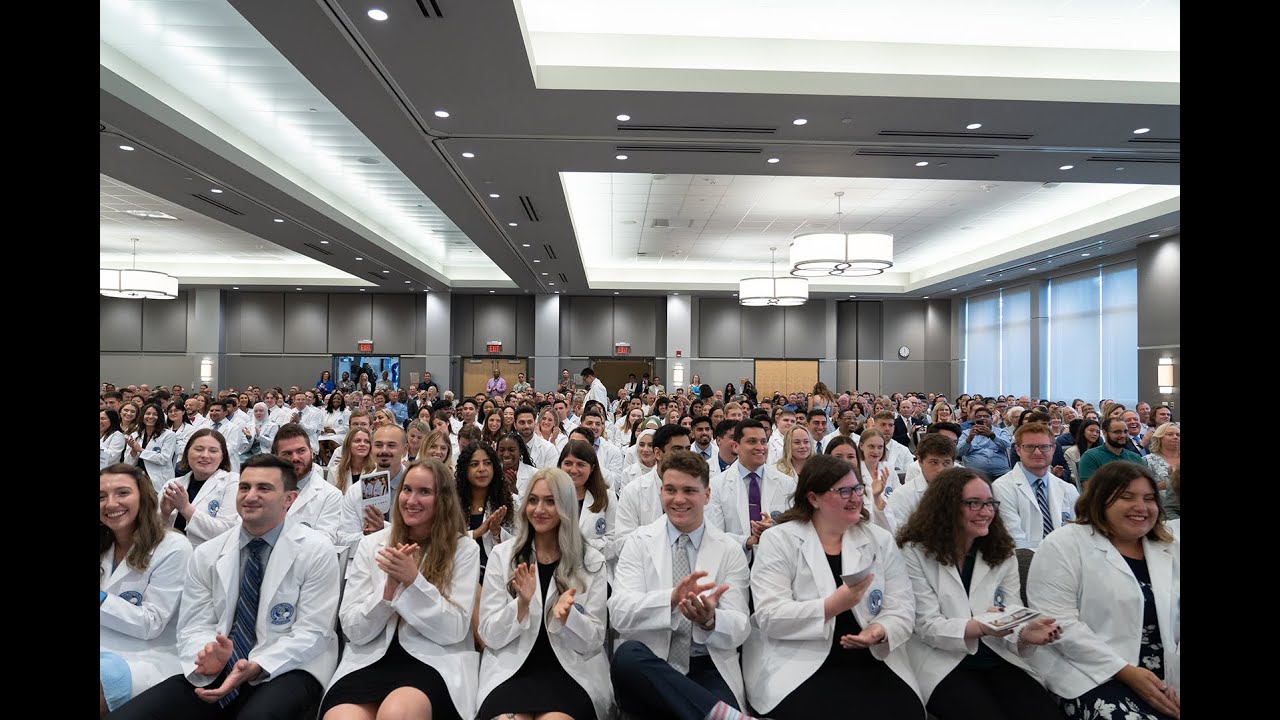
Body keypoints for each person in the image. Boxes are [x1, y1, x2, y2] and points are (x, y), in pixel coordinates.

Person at [111, 455, 341, 720]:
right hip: (219, 666)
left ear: (289, 499)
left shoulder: (316, 550)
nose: (250, 496)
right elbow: (194, 624)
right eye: (244, 487)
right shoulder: (208, 552)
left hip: (290, 665)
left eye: (264, 488)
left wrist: (257, 666)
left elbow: (313, 631)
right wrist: (207, 652)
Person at [744, 454, 924, 719]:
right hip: (800, 659)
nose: (855, 497)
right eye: (843, 491)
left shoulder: (879, 538)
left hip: (872, 657)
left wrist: (879, 629)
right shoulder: (779, 540)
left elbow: (903, 605)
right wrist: (832, 606)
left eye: (857, 489)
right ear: (813, 498)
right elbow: (770, 616)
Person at [896, 467, 1064, 720]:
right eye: (974, 503)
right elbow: (927, 626)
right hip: (941, 660)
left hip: (995, 654)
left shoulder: (1001, 551)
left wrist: (1025, 633)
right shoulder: (914, 552)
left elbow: (1011, 610)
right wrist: (983, 627)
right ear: (946, 507)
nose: (986, 512)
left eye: (989, 503)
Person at [319, 458, 480, 720]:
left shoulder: (464, 549)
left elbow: (455, 629)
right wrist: (387, 593)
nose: (411, 500)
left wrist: (414, 581)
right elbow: (352, 628)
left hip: (431, 660)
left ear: (444, 499)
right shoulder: (373, 545)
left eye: (424, 492)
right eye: (407, 489)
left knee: (397, 713)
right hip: (370, 658)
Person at [1027, 462, 1180, 720]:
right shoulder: (1063, 544)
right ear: (1100, 500)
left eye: (1149, 498)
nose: (1141, 507)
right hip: (1090, 672)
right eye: (1126, 497)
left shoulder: (1168, 545)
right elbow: (1058, 624)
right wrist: (1125, 671)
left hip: (1165, 673)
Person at [609, 450, 753, 720]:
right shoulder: (639, 542)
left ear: (706, 495)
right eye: (671, 490)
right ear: (661, 492)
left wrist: (711, 620)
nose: (679, 499)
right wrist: (671, 599)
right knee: (628, 655)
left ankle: (700, 709)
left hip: (706, 664)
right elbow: (618, 613)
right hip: (650, 665)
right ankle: (711, 712)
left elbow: (741, 627)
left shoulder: (729, 549)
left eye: (689, 490)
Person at [476, 468, 612, 719]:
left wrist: (568, 616)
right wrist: (521, 605)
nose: (539, 509)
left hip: (569, 674)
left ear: (566, 507)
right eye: (533, 500)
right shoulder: (503, 556)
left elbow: (594, 640)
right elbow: (488, 634)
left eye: (550, 502)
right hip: (512, 671)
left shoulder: (591, 561)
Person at [100, 464, 194, 717]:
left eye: (122, 493)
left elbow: (152, 624)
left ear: (143, 496)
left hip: (145, 654)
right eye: (101, 496)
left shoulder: (173, 547)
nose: (110, 503)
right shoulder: (104, 543)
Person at [992, 422, 1081, 550]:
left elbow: (1080, 533)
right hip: (1021, 564)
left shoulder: (1068, 489)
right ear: (1017, 450)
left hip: (1067, 562)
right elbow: (1014, 540)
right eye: (1029, 447)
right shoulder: (1001, 488)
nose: (1038, 452)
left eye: (1044, 446)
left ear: (1053, 449)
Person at [272, 423, 348, 549]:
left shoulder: (331, 495)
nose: (295, 458)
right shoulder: (264, 489)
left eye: (301, 451)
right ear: (276, 457)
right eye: (287, 453)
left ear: (312, 453)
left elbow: (324, 542)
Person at [161, 430, 241, 548]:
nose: (205, 455)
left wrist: (185, 508)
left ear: (222, 456)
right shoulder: (173, 484)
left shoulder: (233, 482)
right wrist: (164, 514)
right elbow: (153, 531)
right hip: (171, 556)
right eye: (199, 449)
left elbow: (227, 532)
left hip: (210, 560)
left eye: (213, 451)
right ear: (187, 453)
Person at [616, 424, 693, 537]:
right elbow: (623, 541)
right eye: (677, 450)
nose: (685, 455)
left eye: (688, 449)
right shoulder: (632, 492)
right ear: (658, 453)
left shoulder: (698, 490)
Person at [558, 439, 620, 578]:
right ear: (560, 465)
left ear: (592, 468)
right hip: (558, 571)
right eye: (568, 463)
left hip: (595, 572)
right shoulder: (551, 495)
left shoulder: (607, 498)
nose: (573, 470)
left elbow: (614, 542)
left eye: (581, 464)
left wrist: (582, 547)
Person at [457, 443, 515, 582]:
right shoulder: (453, 503)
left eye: (487, 463)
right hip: (461, 576)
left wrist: (496, 532)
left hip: (497, 578)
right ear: (465, 469)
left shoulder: (511, 502)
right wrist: (478, 532)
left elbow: (517, 546)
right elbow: (445, 542)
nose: (482, 469)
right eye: (474, 464)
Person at [884, 433, 957, 532]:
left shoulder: (962, 492)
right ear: (920, 461)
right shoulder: (902, 496)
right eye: (934, 462)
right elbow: (898, 536)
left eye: (946, 463)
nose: (940, 469)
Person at [1077, 417, 1145, 486]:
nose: (1123, 435)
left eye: (1125, 431)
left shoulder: (1135, 457)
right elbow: (1090, 489)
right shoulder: (1090, 457)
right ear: (1104, 433)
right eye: (1117, 432)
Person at [126, 403, 177, 492]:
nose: (151, 416)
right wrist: (133, 451)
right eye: (147, 413)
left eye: (155, 414)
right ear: (142, 416)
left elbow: (164, 458)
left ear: (160, 417)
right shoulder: (135, 435)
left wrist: (141, 450)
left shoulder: (169, 435)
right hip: (138, 477)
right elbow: (128, 464)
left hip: (158, 478)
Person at [955, 405, 1011, 480]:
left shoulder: (1001, 432)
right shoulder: (967, 433)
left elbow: (1007, 446)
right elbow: (959, 452)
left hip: (1001, 472)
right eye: (979, 417)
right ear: (974, 420)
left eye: (986, 416)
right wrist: (969, 439)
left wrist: (992, 435)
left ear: (991, 419)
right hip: (976, 473)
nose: (982, 418)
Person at [1143, 423, 1179, 492]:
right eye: (1170, 434)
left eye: (1178, 435)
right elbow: (1142, 488)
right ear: (1159, 438)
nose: (1175, 437)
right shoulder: (1148, 460)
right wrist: (1163, 485)